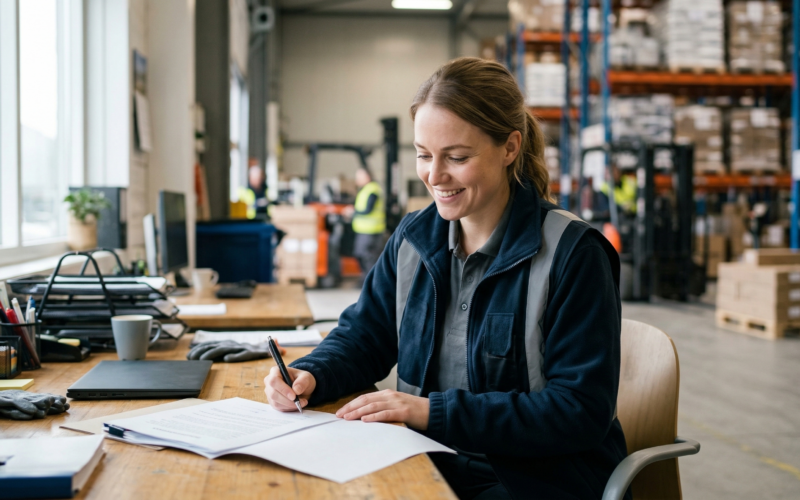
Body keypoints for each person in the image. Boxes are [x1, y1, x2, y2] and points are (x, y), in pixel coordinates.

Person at [265, 58, 629, 500]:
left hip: (536, 479)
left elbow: (578, 411)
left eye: (456, 158)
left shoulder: (574, 254)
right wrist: (310, 374)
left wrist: (430, 412)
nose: (434, 177)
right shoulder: (415, 239)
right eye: (423, 155)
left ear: (510, 147)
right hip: (429, 458)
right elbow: (364, 336)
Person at [350, 167, 386, 274]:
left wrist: (353, 213)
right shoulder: (365, 189)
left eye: (359, 177)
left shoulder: (372, 190)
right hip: (364, 230)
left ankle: (371, 281)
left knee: (368, 257)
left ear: (367, 176)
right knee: (360, 255)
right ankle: (366, 280)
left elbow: (368, 209)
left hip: (371, 231)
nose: (357, 180)